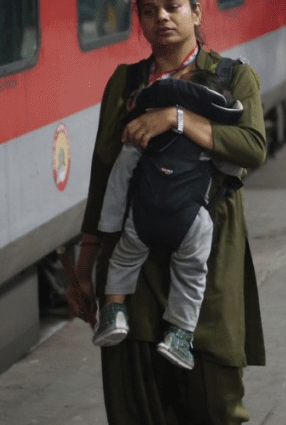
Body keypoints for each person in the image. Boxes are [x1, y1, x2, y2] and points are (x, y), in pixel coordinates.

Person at [66, 0, 265, 425]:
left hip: (206, 247)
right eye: (150, 10)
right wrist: (85, 267)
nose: (162, 18)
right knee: (135, 395)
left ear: (197, 12)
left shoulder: (232, 78)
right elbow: (104, 173)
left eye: (173, 6)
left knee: (212, 380)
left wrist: (176, 117)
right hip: (133, 249)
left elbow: (252, 147)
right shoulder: (125, 83)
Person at [93, 69, 245, 372]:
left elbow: (119, 179)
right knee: (190, 276)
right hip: (190, 221)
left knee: (123, 260)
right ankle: (179, 335)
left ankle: (113, 312)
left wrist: (109, 224)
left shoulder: (144, 134)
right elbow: (234, 165)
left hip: (142, 217)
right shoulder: (206, 141)